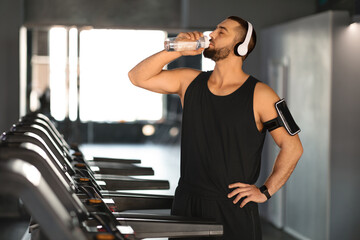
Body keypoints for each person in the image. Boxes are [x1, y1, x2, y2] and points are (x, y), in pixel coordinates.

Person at [128, 16, 303, 240]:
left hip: (232, 208)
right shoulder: (189, 81)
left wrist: (265, 191)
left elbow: (293, 147)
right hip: (187, 203)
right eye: (214, 30)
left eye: (222, 32)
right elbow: (137, 77)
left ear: (240, 47)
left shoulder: (262, 94)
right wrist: (177, 50)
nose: (211, 35)